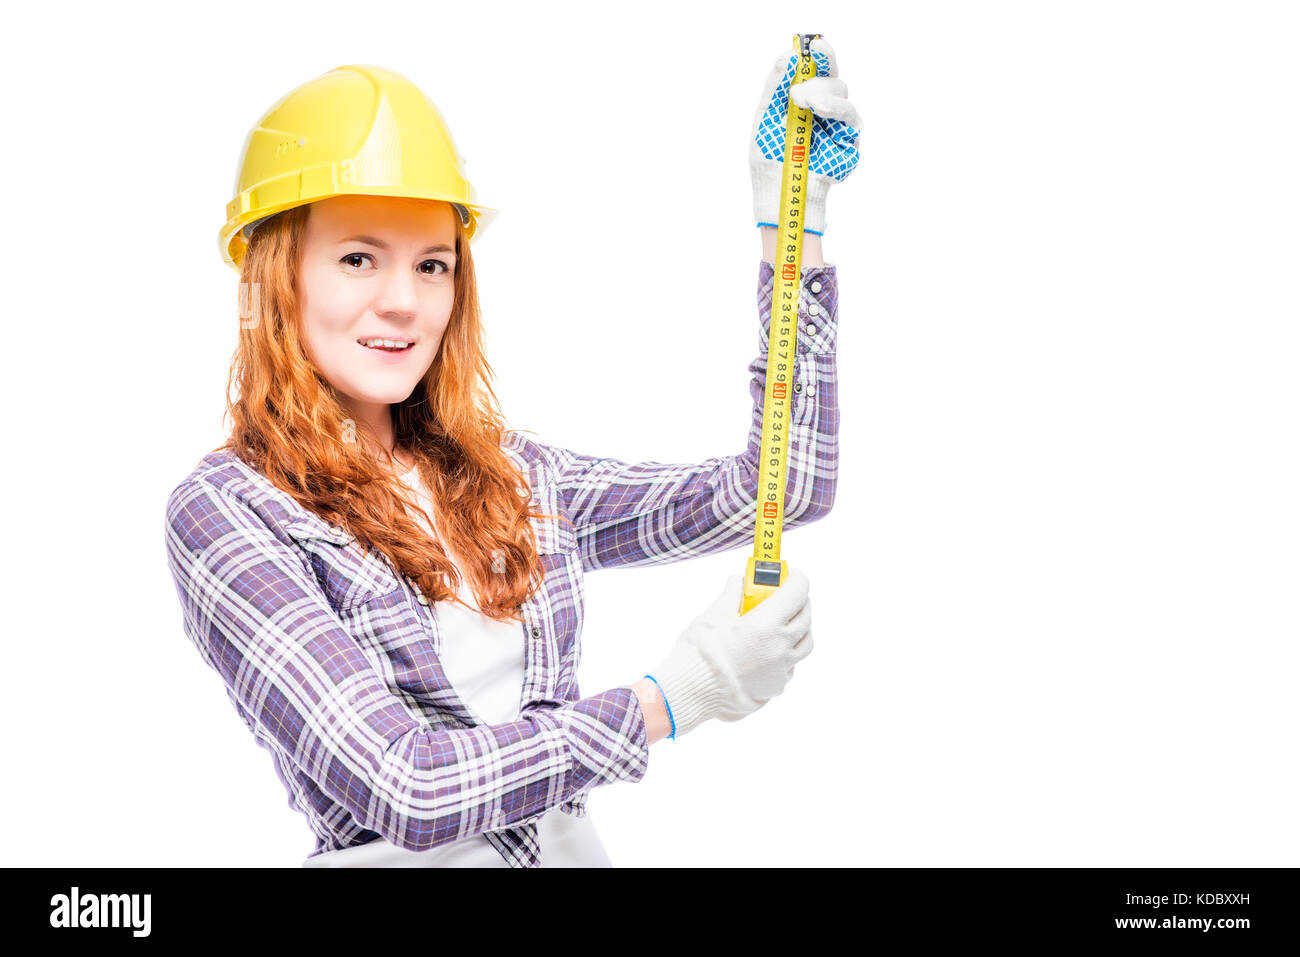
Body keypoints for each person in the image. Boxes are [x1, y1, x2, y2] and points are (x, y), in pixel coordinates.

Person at [164, 42, 857, 867]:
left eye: (433, 265)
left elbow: (782, 487)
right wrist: (670, 698)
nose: (403, 300)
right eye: (357, 257)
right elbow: (407, 788)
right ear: (271, 280)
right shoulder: (229, 511)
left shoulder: (515, 475)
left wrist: (793, 230)